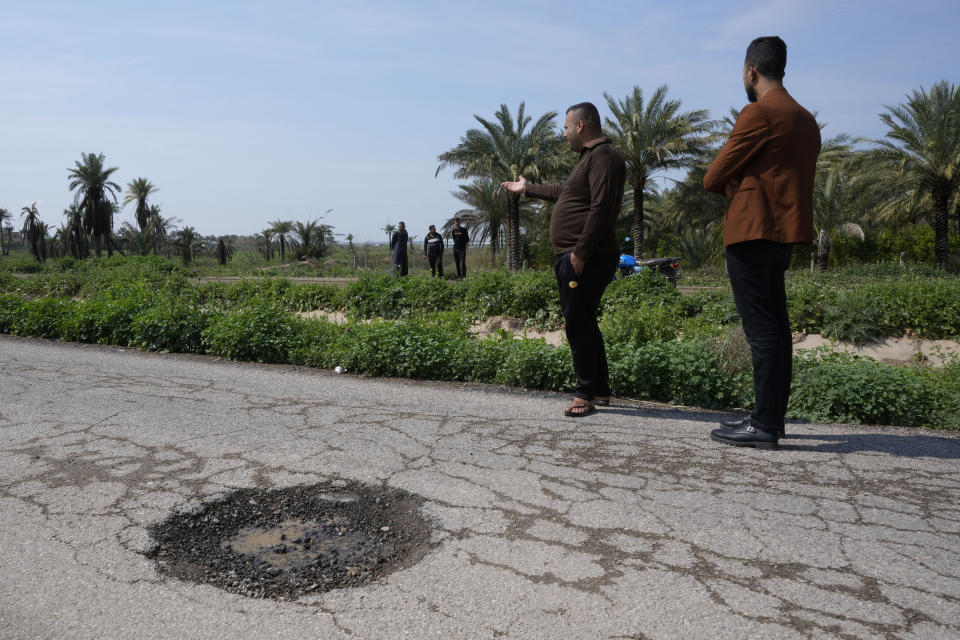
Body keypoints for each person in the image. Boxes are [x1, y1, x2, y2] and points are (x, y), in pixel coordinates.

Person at [703, 36, 821, 449]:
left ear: (751, 72)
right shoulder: (805, 118)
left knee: (762, 332)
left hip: (750, 232)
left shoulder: (758, 113)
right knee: (778, 329)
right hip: (784, 237)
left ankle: (764, 425)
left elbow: (713, 176)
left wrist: (739, 186)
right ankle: (771, 418)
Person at [502, 102, 626, 417]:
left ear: (581, 126)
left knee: (577, 323)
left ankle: (585, 394)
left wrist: (580, 253)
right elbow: (566, 192)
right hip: (579, 254)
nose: (564, 133)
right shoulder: (589, 159)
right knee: (584, 319)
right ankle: (599, 389)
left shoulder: (604, 158)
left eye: (567, 127)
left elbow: (600, 208)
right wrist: (527, 188)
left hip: (588, 255)